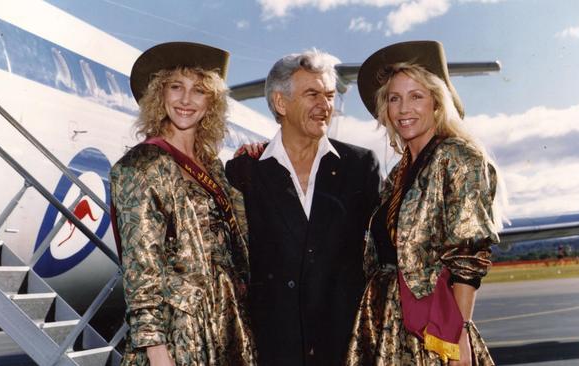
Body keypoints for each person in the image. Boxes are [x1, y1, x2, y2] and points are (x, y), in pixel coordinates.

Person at [345, 41, 501, 365]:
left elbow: (468, 256)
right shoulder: (398, 174)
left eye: (416, 96)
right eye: (394, 98)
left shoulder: (457, 157)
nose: (404, 109)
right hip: (385, 321)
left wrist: (457, 338)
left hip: (432, 330)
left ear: (437, 102)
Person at [225, 50, 381, 365]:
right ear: (281, 103)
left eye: (329, 95)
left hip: (346, 348)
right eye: (312, 94)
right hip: (274, 349)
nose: (325, 106)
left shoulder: (361, 166)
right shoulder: (244, 172)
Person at [110, 42, 256, 365]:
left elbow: (241, 237)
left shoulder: (213, 167)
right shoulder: (142, 165)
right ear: (160, 94)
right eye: (176, 87)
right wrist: (158, 353)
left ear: (212, 102)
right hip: (179, 336)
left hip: (226, 323)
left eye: (199, 90)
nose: (186, 100)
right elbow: (140, 269)